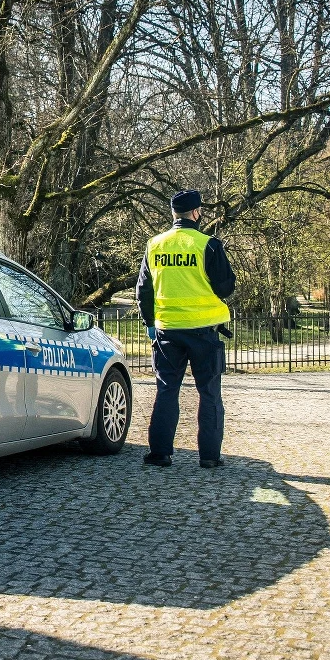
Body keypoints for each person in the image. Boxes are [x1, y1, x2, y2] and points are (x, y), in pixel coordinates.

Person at [136, 189, 236, 468]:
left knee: (167, 390)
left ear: (173, 214)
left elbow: (144, 290)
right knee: (209, 392)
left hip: (167, 330)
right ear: (196, 213)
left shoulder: (155, 245)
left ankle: (160, 453)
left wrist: (150, 323)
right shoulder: (208, 245)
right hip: (204, 330)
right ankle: (209, 457)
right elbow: (225, 286)